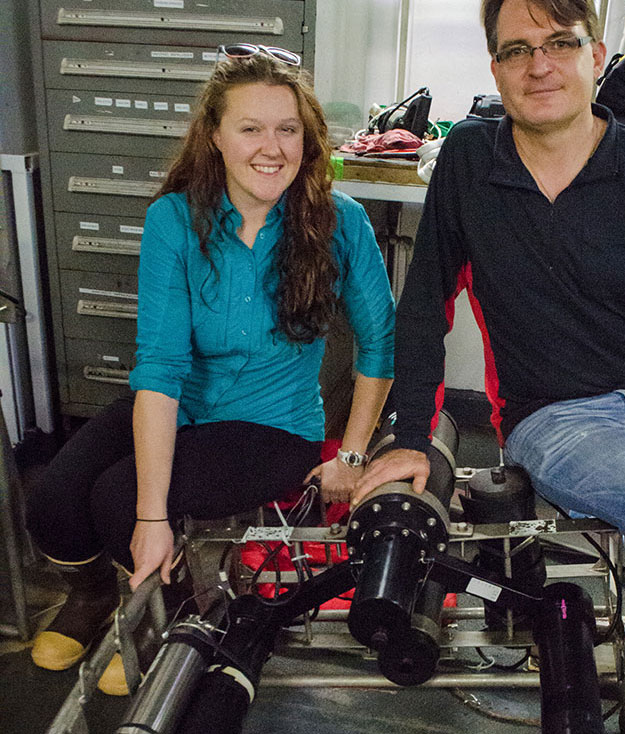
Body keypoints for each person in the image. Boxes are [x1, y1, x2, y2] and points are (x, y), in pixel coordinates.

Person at [354, 1, 625, 732]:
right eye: (517, 50)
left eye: (560, 43)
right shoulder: (470, 158)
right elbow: (424, 306)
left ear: (595, 55)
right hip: (550, 417)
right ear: (495, 68)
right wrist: (408, 435)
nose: (540, 65)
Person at [26, 46, 394, 695]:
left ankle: (168, 625)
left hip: (273, 426)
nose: (270, 147)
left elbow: (381, 342)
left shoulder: (342, 223)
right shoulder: (175, 219)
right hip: (185, 405)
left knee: (120, 499)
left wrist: (356, 454)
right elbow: (161, 368)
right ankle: (95, 600)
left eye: (287, 129)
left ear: (307, 140)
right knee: (55, 502)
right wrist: (150, 517)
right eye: (250, 128)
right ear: (216, 136)